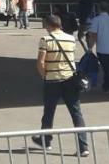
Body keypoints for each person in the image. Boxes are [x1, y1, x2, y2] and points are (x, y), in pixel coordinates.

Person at [32, 13, 89, 156]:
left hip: (52, 81)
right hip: (70, 80)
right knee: (76, 113)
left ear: (48, 25)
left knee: (48, 113)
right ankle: (83, 147)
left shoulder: (45, 40)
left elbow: (40, 62)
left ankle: (46, 141)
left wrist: (44, 75)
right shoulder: (71, 39)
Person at [86, 4, 109, 94]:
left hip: (102, 48)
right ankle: (106, 86)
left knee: (107, 69)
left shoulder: (96, 20)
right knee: (108, 68)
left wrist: (90, 47)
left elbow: (93, 35)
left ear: (99, 9)